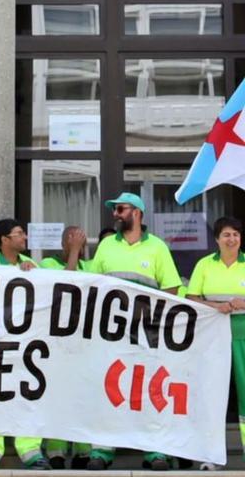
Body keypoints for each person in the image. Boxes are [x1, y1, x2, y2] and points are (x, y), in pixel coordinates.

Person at [87, 192, 182, 471]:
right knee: (107, 387)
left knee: (150, 389)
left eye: (120, 209)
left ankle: (155, 451)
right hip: (111, 332)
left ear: (137, 213)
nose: (115, 213)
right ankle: (102, 450)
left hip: (147, 332)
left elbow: (171, 288)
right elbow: (93, 284)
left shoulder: (157, 247)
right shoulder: (106, 246)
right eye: (115, 209)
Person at [0, 219, 50, 470]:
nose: (25, 237)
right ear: (5, 240)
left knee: (28, 396)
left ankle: (30, 450)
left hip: (25, 347)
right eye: (19, 234)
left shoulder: (32, 266)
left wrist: (35, 275)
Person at [186, 217, 245, 471]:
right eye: (226, 235)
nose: (231, 239)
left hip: (243, 334)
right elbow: (191, 297)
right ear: (217, 239)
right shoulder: (204, 265)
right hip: (212, 337)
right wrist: (216, 306)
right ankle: (211, 455)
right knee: (212, 394)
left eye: (235, 234)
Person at [36, 226, 91, 469]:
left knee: (81, 397)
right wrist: (75, 252)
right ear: (63, 243)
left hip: (83, 343)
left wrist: (80, 255)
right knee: (57, 397)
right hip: (56, 343)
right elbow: (66, 287)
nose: (77, 242)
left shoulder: (90, 267)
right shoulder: (48, 263)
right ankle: (55, 451)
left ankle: (82, 450)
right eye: (72, 239)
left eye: (80, 239)